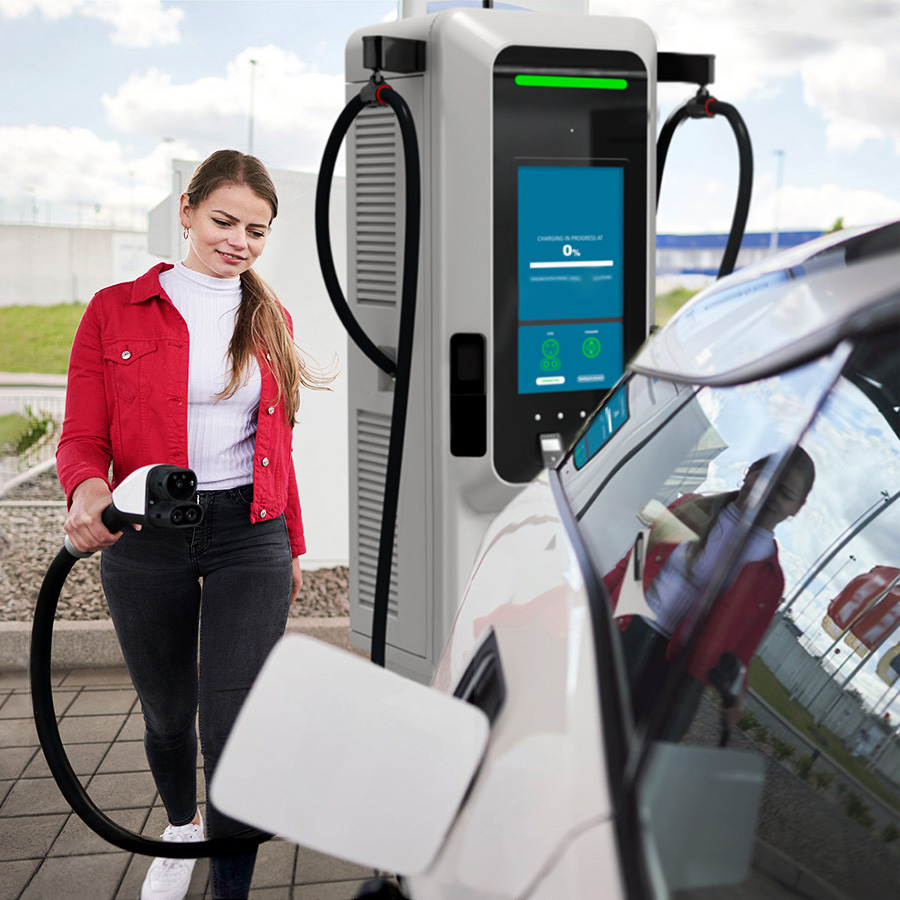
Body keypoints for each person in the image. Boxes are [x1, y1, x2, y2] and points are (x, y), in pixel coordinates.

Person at [57, 150, 329, 900]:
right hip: (147, 532)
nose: (239, 240)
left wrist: (290, 542)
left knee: (233, 723)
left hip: (251, 532)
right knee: (170, 711)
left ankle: (229, 892)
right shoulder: (114, 309)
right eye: (224, 221)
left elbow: (279, 441)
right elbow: (82, 434)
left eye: (257, 230)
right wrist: (86, 489)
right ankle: (181, 827)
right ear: (186, 211)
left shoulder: (269, 316)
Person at [603, 448, 816, 739]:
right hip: (623, 634)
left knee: (624, 760)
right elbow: (631, 566)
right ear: (749, 473)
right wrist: (586, 603)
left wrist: (735, 697)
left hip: (675, 678)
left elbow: (740, 653)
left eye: (785, 494)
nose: (770, 495)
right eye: (766, 478)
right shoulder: (690, 508)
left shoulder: (770, 580)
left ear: (796, 508)